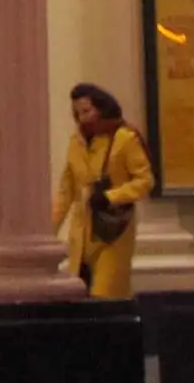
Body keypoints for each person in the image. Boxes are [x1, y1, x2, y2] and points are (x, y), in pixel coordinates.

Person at [57, 82, 157, 296]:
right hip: (82, 233)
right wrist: (47, 231)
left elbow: (145, 180)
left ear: (101, 107)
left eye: (86, 110)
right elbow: (65, 192)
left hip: (112, 229)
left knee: (106, 294)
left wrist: (111, 196)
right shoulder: (77, 143)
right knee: (81, 294)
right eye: (77, 113)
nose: (82, 117)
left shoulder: (125, 138)